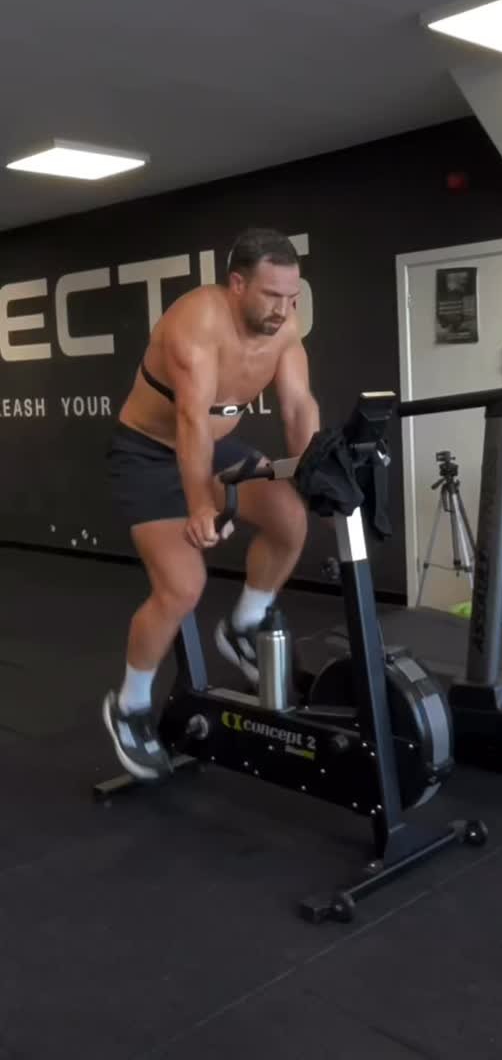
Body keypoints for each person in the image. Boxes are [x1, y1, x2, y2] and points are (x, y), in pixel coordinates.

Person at [103, 227, 320, 780]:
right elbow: (190, 418)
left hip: (216, 447)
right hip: (150, 455)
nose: (283, 310)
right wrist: (201, 503)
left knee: (290, 519)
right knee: (182, 588)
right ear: (237, 284)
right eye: (271, 295)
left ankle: (244, 624)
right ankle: (129, 704)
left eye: (291, 297)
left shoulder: (284, 327)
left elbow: (297, 405)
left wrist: (315, 466)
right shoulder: (196, 320)